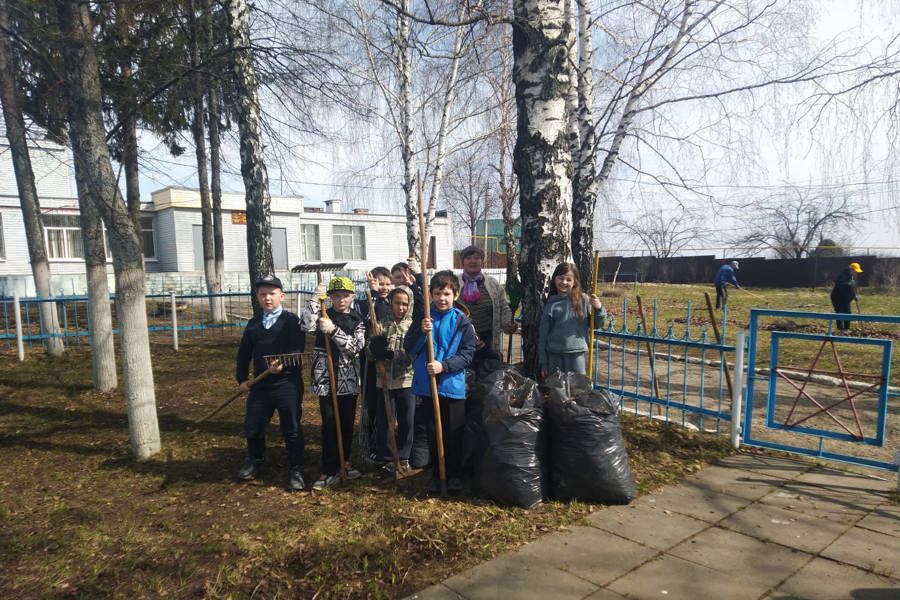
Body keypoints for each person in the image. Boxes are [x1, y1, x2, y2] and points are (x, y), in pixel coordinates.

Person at [404, 270, 476, 493]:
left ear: (455, 294)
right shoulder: (424, 319)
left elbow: (467, 353)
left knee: (454, 433)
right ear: (431, 295)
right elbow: (409, 348)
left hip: (451, 386)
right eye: (437, 293)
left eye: (446, 293)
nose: (442, 298)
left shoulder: (462, 322)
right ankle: (437, 474)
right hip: (427, 387)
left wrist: (443, 366)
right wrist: (420, 332)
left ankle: (454, 474)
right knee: (433, 432)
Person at [235, 275, 307, 491]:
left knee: (291, 427)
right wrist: (242, 379)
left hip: (287, 384)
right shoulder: (254, 324)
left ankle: (297, 469)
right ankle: (255, 459)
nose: (267, 298)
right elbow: (243, 354)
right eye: (263, 294)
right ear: (257, 297)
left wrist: (283, 363)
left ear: (281, 296)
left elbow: (297, 350)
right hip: (260, 385)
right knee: (253, 424)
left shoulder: (291, 321)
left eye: (272, 294)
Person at [300, 276, 366, 489]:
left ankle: (344, 461)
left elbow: (355, 347)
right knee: (330, 424)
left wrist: (334, 331)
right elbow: (305, 325)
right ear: (329, 297)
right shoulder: (321, 313)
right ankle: (328, 468)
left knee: (346, 424)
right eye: (336, 296)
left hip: (348, 380)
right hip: (326, 378)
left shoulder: (358, 320)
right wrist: (313, 300)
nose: (341, 300)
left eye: (345, 296)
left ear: (352, 296)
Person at [367, 286, 415, 472]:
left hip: (407, 380)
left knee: (407, 420)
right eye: (397, 303)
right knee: (385, 420)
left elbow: (415, 353)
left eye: (405, 304)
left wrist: (393, 354)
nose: (401, 307)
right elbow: (369, 352)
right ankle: (387, 456)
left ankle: (403, 456)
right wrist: (374, 349)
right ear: (391, 303)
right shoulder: (381, 324)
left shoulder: (412, 326)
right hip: (384, 381)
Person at [353, 267, 393, 461]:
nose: (384, 287)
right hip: (369, 358)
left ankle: (384, 440)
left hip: (388, 358)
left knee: (384, 400)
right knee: (370, 397)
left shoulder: (392, 302)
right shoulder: (363, 303)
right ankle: (369, 441)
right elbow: (370, 319)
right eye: (380, 283)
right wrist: (372, 294)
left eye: (387, 284)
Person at [538, 263, 603, 377]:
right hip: (554, 356)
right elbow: (543, 335)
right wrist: (543, 362)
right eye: (561, 278)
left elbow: (597, 324)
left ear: (575, 282)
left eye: (568, 279)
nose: (564, 282)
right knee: (558, 391)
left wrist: (599, 309)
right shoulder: (551, 304)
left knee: (578, 390)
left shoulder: (583, 300)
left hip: (577, 356)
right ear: (554, 279)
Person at [455, 245, 517, 356]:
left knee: (489, 371)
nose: (473, 261)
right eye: (468, 258)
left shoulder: (493, 284)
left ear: (482, 261)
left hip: (489, 340)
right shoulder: (454, 283)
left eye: (477, 258)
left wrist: (509, 324)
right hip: (461, 340)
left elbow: (503, 307)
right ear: (463, 262)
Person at [831, 262, 862, 331]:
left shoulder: (851, 276)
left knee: (848, 313)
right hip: (837, 298)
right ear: (851, 269)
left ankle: (847, 329)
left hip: (846, 299)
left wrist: (854, 296)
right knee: (840, 313)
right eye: (855, 271)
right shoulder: (842, 275)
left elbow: (851, 288)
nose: (856, 273)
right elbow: (839, 286)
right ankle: (840, 329)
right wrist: (848, 283)